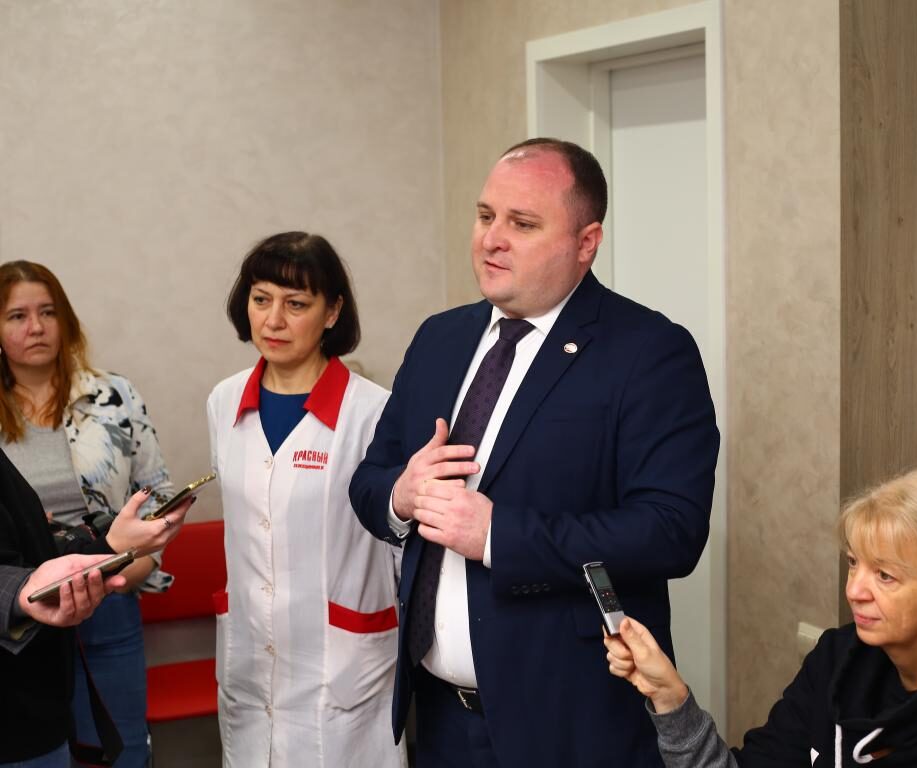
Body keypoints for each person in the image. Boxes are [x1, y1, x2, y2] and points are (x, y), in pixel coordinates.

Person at [350, 138, 720, 767]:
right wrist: (401, 495)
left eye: (522, 224)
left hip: (570, 722)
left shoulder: (649, 352)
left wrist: (499, 536)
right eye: (485, 215)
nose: (491, 239)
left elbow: (670, 531)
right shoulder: (440, 338)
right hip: (438, 718)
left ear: (586, 242)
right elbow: (368, 481)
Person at [605, 467, 917, 767]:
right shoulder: (836, 660)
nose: (854, 590)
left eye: (885, 576)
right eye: (854, 563)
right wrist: (670, 698)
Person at [207, 232, 403, 767]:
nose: (273, 320)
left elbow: (400, 546)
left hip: (345, 670)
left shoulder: (375, 413)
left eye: (296, 304)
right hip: (249, 662)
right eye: (261, 299)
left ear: (332, 312)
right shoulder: (223, 401)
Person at [0, 260, 188, 767]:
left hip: (111, 596)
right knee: (46, 755)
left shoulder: (113, 395)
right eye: (17, 316)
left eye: (47, 312)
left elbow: (157, 494)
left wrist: (135, 565)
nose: (36, 327)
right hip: (20, 616)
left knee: (122, 750)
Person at [1, 442, 187, 767]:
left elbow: (29, 549)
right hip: (18, 710)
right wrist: (20, 590)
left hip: (42, 686)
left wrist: (113, 548)